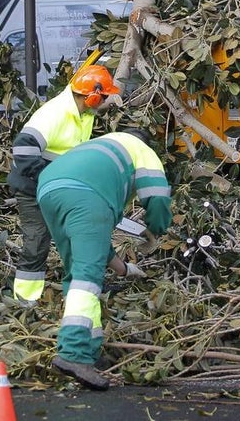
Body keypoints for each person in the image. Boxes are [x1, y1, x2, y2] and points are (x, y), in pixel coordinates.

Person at [37, 129, 172, 391]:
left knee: (77, 271)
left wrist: (126, 270)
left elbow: (98, 248)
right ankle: (73, 353)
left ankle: (91, 350)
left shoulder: (100, 148)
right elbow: (157, 199)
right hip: (87, 194)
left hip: (49, 188)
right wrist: (157, 231)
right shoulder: (143, 151)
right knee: (87, 278)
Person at [8, 65, 136, 306]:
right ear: (92, 96)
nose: (104, 102)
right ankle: (24, 302)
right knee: (37, 241)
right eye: (103, 97)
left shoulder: (84, 114)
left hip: (59, 188)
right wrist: (50, 177)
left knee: (79, 235)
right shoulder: (56, 113)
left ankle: (81, 289)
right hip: (32, 187)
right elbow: (22, 149)